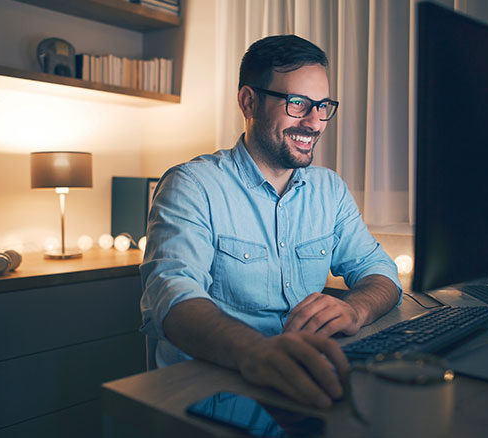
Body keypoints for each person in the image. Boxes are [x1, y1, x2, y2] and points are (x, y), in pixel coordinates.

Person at [140, 35, 401, 409]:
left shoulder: (329, 190)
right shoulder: (192, 186)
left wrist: (356, 308)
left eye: (322, 106)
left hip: (304, 385)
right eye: (297, 104)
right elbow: (172, 298)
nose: (315, 123)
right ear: (249, 101)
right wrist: (259, 353)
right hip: (211, 395)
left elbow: (380, 272)